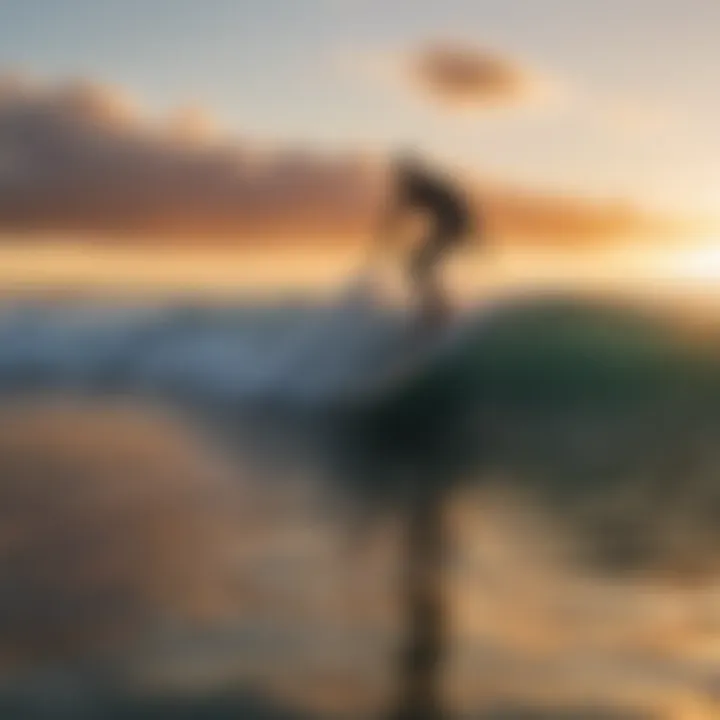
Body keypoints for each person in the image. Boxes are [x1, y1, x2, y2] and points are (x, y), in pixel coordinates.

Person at [378, 153, 475, 326]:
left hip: (454, 228)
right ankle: (435, 308)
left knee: (419, 265)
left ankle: (438, 310)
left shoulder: (421, 187)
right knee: (419, 266)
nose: (400, 182)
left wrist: (386, 234)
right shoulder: (424, 186)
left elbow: (399, 212)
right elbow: (400, 213)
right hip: (450, 227)